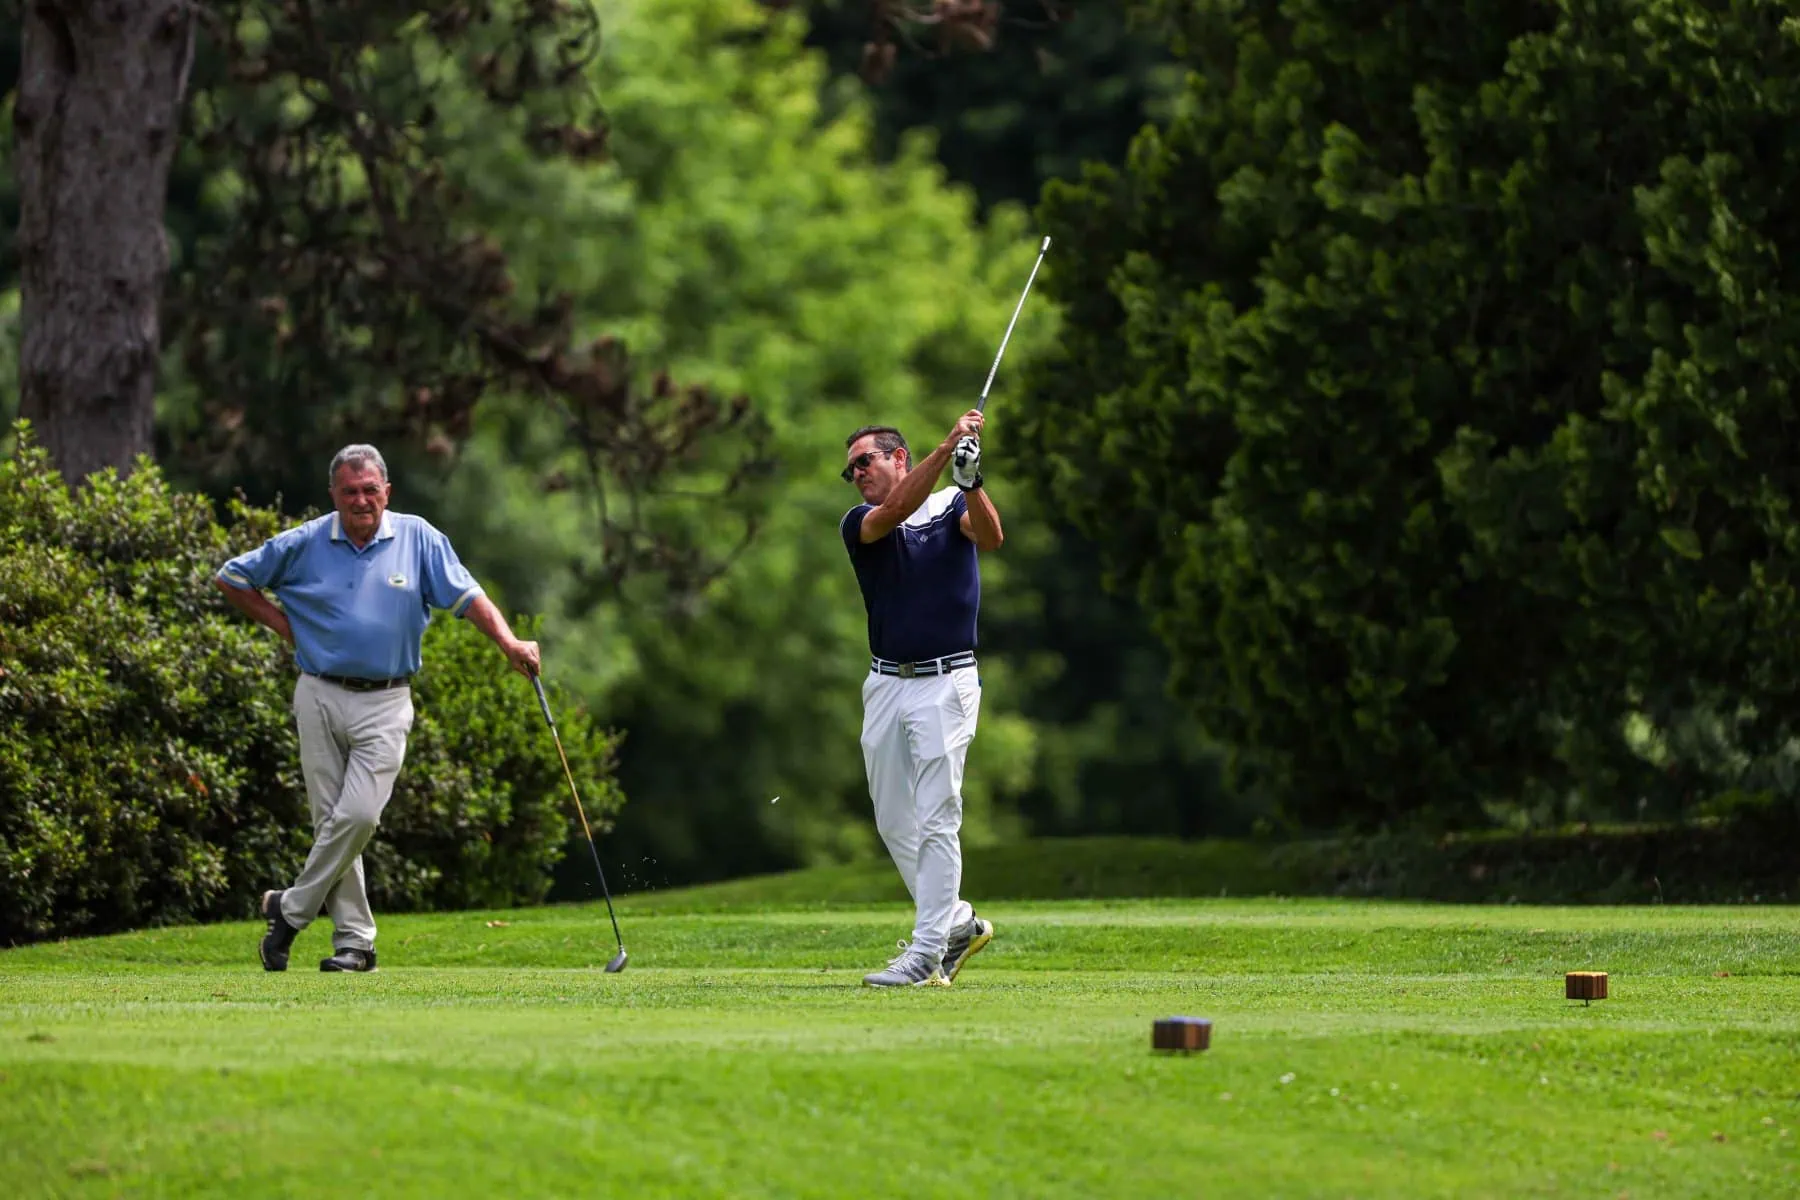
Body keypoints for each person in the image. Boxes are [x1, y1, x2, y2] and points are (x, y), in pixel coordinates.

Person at [214, 444, 540, 973]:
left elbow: (469, 596)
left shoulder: (418, 538)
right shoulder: (305, 542)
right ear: (334, 495)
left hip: (387, 699)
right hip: (319, 692)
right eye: (350, 491)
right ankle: (355, 945)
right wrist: (283, 626)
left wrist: (508, 644)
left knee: (359, 815)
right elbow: (232, 576)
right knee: (331, 822)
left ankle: (289, 910)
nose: (362, 500)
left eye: (371, 490)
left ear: (387, 491)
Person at [840, 409, 1003, 987]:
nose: (857, 473)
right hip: (885, 683)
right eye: (851, 468)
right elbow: (895, 512)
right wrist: (948, 448)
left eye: (867, 461)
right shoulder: (861, 520)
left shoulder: (953, 504)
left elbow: (990, 536)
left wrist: (971, 481)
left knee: (938, 815)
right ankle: (958, 921)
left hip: (946, 681)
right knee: (893, 820)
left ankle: (927, 952)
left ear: (897, 457)